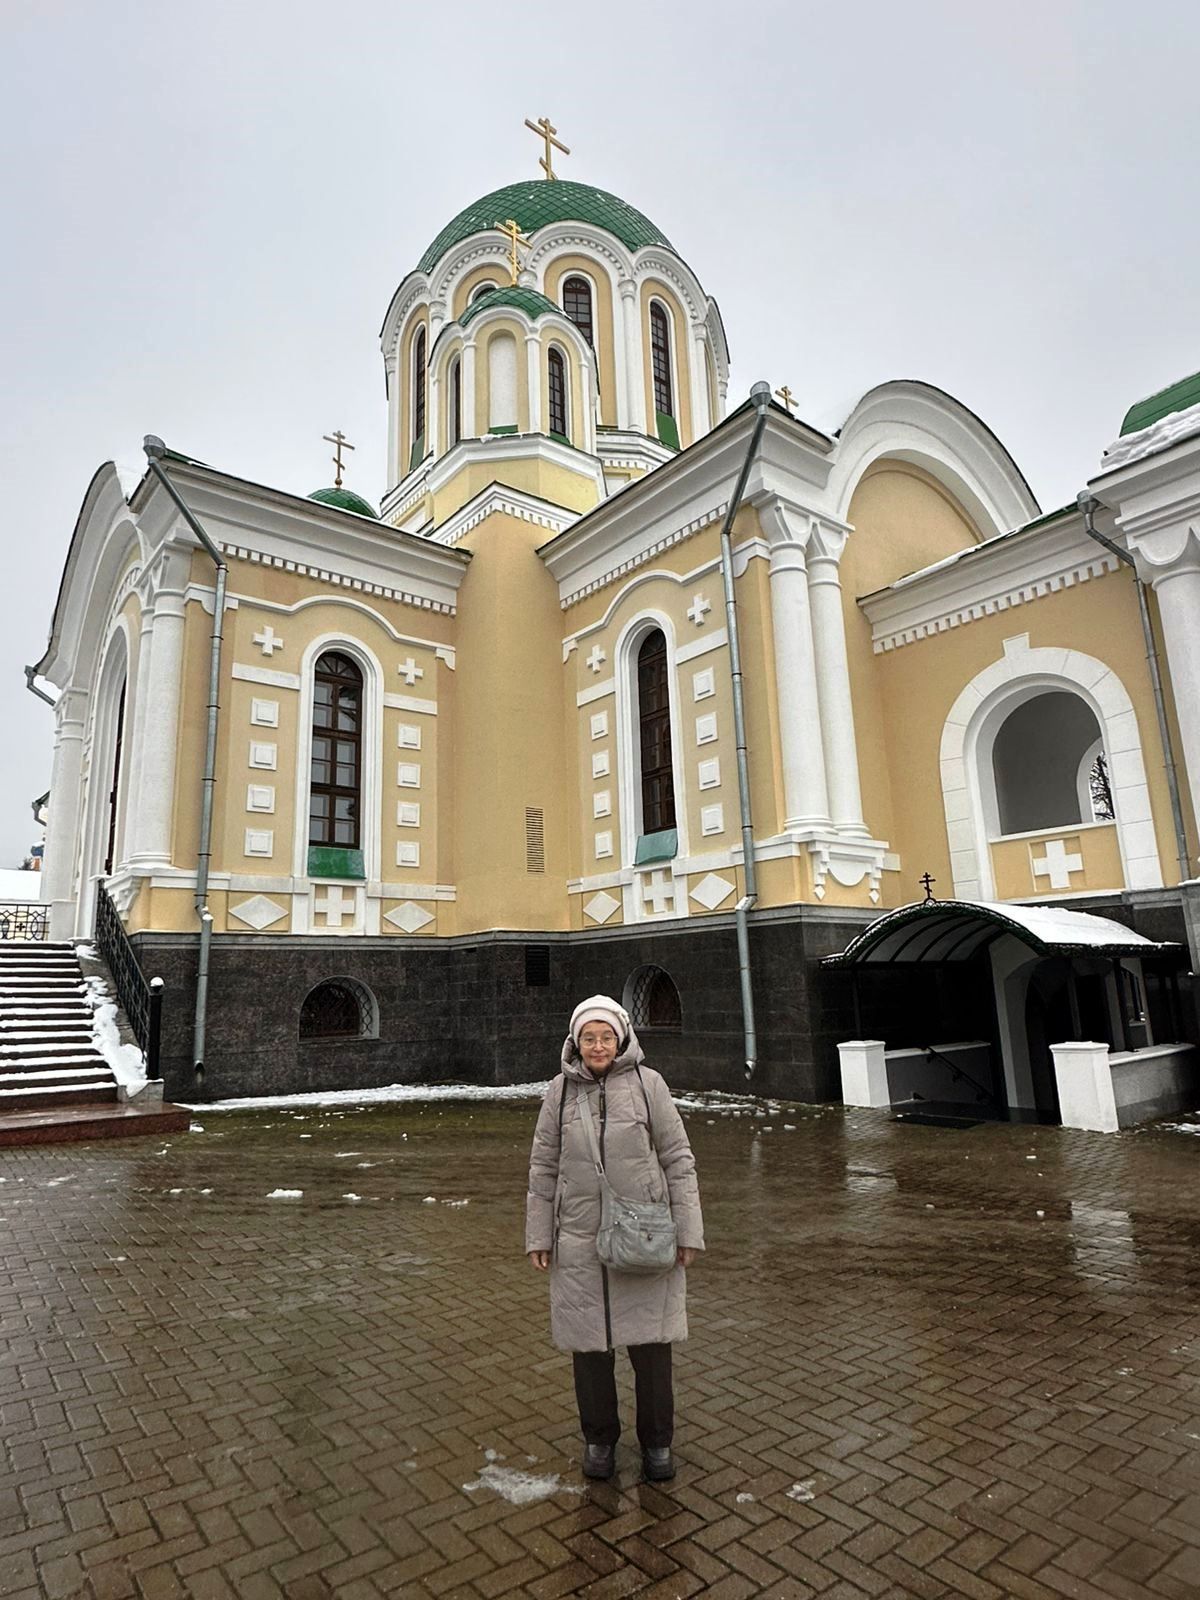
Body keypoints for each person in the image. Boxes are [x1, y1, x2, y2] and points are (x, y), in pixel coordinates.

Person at [526, 994, 704, 1482]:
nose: (598, 1045)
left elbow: (678, 1159)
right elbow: (543, 1169)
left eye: (606, 1036)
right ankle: (600, 1440)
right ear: (575, 1043)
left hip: (643, 1237)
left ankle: (658, 1444)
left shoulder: (650, 1086)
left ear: (622, 1038)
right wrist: (539, 1235)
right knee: (589, 1351)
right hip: (579, 1242)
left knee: (651, 1349)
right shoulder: (559, 1094)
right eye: (589, 1038)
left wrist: (688, 1231)